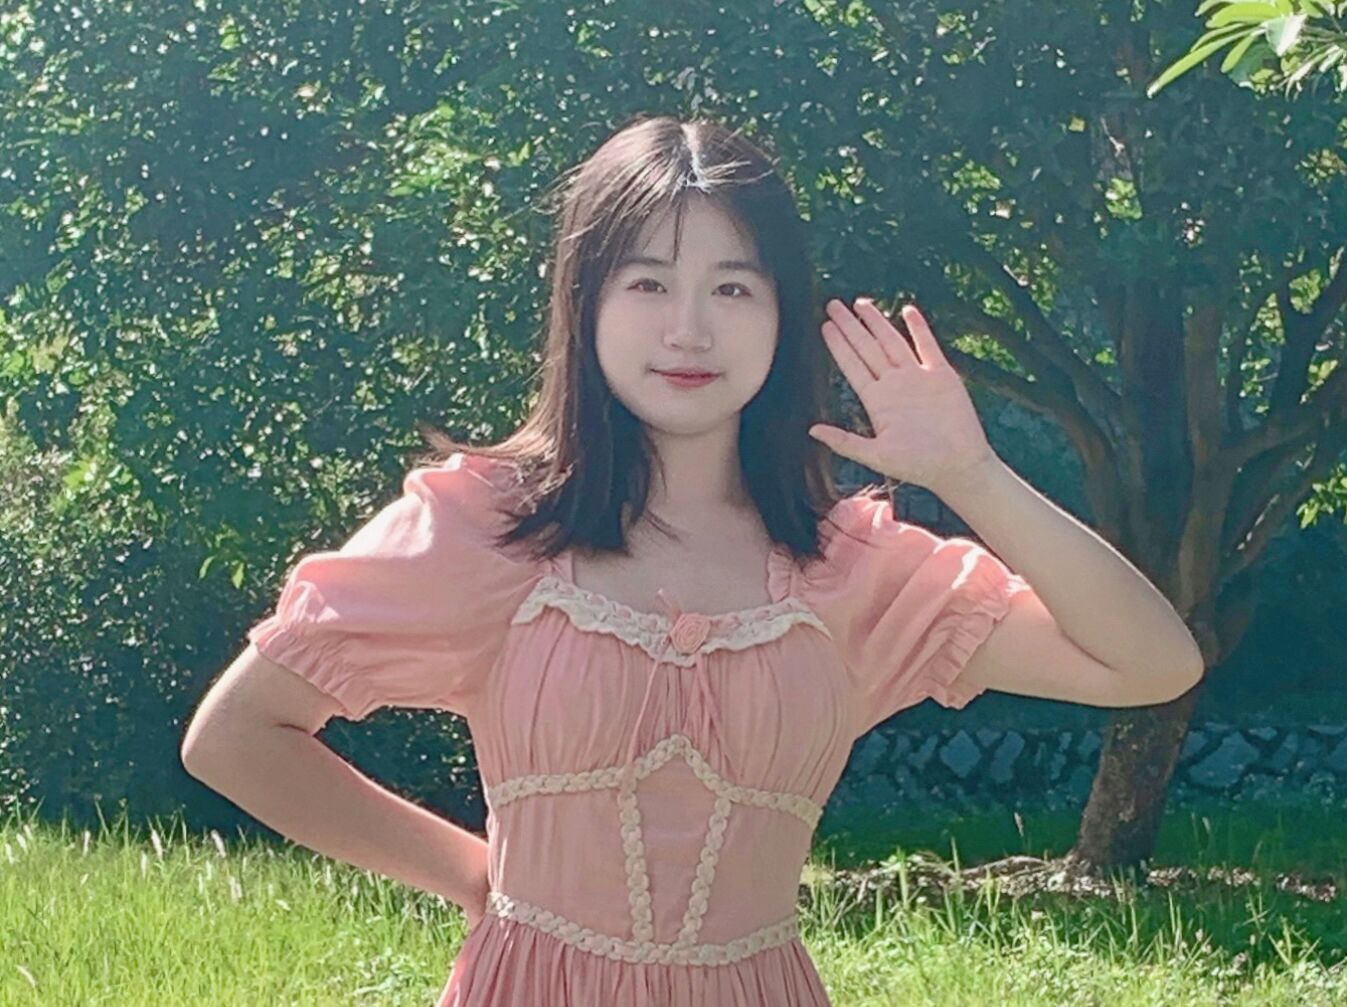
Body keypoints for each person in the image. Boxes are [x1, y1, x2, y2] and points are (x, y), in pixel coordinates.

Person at [180, 114, 1204, 1005]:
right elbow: (235, 735)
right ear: (584, 303)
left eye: (732, 286)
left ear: (781, 315)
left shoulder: (850, 566)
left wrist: (973, 474)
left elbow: (1152, 662)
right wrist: (471, 872)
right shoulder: (488, 526)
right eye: (647, 282)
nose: (688, 327)